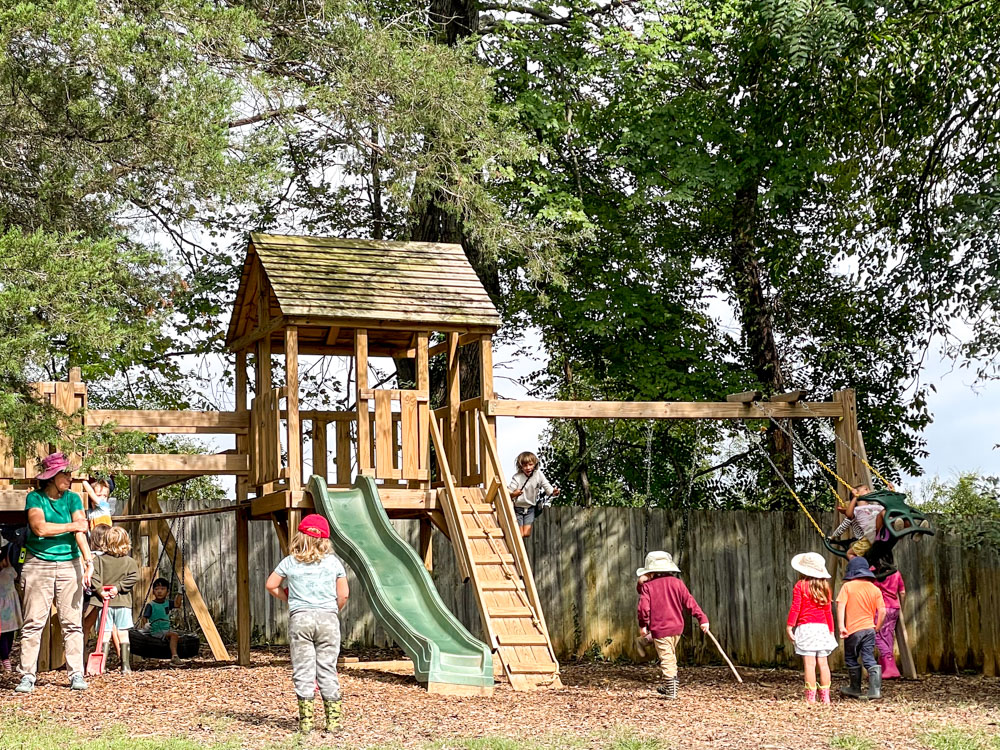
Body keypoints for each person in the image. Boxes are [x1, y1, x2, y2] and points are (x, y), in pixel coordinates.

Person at [15, 452, 94, 693]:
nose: (69, 478)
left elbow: (82, 531)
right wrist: (71, 526)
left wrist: (88, 559)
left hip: (70, 565)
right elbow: (39, 528)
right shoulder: (35, 499)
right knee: (33, 623)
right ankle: (27, 675)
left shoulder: (73, 499)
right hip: (37, 564)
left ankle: (76, 674)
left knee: (72, 624)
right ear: (51, 477)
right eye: (65, 474)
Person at [266, 514, 349, 733]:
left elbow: (271, 585)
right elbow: (344, 595)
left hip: (300, 618)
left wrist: (289, 599)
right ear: (325, 540)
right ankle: (333, 722)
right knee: (327, 668)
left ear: (300, 536)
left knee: (303, 668)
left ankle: (306, 723)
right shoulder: (334, 563)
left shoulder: (290, 561)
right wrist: (332, 610)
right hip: (328, 619)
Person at [635, 550, 710, 700]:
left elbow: (643, 608)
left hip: (660, 628)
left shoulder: (649, 586)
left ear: (650, 572)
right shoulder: (678, 583)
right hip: (676, 627)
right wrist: (702, 619)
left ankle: (671, 689)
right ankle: (669, 684)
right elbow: (690, 603)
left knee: (667, 657)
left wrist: (643, 625)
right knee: (670, 654)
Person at [786, 552, 837, 704]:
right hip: (823, 628)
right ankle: (826, 696)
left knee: (809, 664)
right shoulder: (826, 587)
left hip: (806, 628)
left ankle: (810, 697)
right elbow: (828, 611)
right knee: (823, 663)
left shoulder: (800, 586)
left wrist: (790, 626)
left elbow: (796, 608)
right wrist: (831, 631)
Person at [89, 527, 138, 674]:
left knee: (104, 633)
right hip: (121, 602)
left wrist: (100, 591)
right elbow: (133, 577)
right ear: (125, 542)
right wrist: (119, 588)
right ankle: (125, 666)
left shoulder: (98, 560)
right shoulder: (130, 562)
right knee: (123, 633)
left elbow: (93, 576)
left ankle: (102, 666)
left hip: (105, 604)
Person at [836, 556, 886, 700]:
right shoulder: (874, 589)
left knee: (851, 658)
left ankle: (855, 688)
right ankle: (874, 691)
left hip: (853, 629)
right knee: (869, 658)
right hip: (870, 629)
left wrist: (841, 626)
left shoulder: (847, 587)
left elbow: (840, 606)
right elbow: (882, 611)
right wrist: (877, 627)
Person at [507, 451, 560, 538]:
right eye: (525, 465)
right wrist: (513, 494)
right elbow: (508, 492)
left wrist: (554, 492)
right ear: (521, 467)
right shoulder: (517, 477)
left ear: (535, 465)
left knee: (526, 533)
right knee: (520, 534)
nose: (528, 468)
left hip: (530, 508)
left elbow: (548, 488)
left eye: (530, 464)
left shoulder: (538, 475)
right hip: (518, 508)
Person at [829, 485, 884, 558]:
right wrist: (833, 536)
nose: (870, 491)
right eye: (866, 489)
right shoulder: (856, 511)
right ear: (856, 493)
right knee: (852, 553)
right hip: (869, 536)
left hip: (880, 531)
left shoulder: (875, 506)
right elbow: (843, 525)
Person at [138, 577, 184, 664]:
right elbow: (145, 617)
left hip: (165, 630)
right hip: (156, 630)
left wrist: (180, 593)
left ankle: (170, 653)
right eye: (156, 589)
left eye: (162, 589)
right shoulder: (151, 605)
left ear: (167, 592)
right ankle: (174, 657)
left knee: (178, 638)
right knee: (174, 636)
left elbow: (177, 604)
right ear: (153, 592)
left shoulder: (167, 603)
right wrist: (146, 625)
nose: (159, 591)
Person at [873, 568, 906, 679]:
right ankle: (885, 667)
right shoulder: (896, 572)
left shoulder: (872, 572)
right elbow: (902, 592)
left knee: (876, 634)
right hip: (894, 607)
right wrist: (901, 607)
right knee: (888, 635)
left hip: (879, 608)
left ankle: (890, 664)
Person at [0, 543, 23, 673]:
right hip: (8, 609)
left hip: (7, 608)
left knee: (6, 634)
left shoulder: (7, 571)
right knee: (7, 634)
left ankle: (5, 658)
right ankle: (5, 658)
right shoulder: (9, 571)